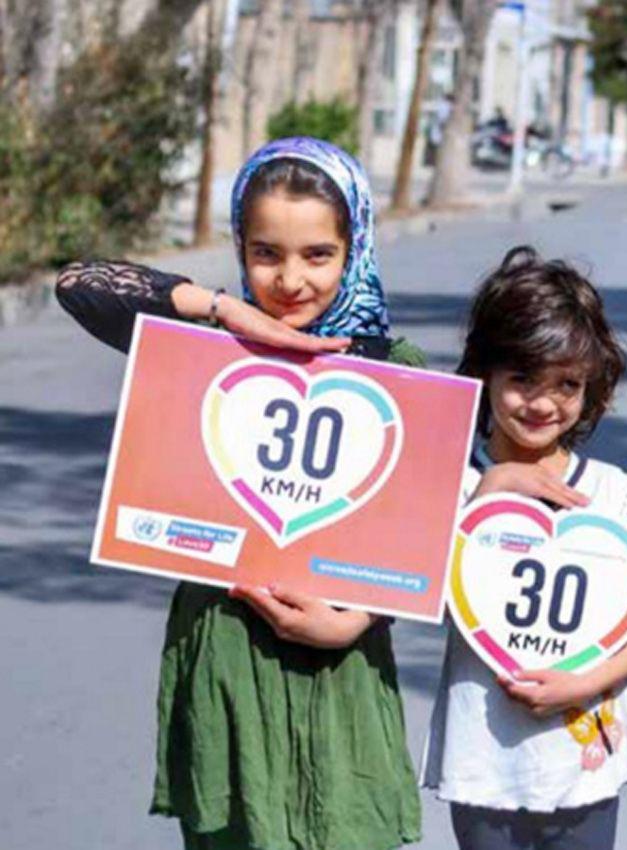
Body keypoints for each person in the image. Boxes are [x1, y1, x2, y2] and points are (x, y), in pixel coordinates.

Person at [54, 137, 425, 850]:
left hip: (340, 669)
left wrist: (353, 623)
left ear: (356, 248)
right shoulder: (204, 347)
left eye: (318, 254)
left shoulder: (397, 373)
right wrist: (226, 313)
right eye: (265, 253)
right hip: (225, 657)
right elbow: (79, 283)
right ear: (240, 247)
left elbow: (423, 543)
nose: (290, 279)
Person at [421, 246, 627, 850]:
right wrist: (483, 497)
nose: (542, 402)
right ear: (485, 373)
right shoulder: (449, 486)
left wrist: (584, 684)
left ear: (593, 388)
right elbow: (420, 594)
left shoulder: (613, 493)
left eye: (566, 384)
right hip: (483, 758)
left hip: (583, 760)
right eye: (522, 378)